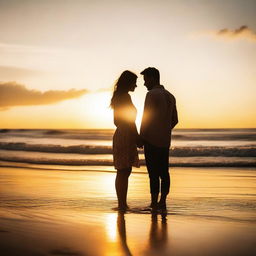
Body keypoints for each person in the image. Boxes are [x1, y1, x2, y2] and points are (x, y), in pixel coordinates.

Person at [140, 67, 178, 211]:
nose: (144, 84)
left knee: (153, 174)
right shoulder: (170, 96)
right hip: (164, 140)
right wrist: (164, 129)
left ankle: (154, 203)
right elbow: (175, 120)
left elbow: (146, 118)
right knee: (164, 172)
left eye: (145, 80)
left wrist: (142, 137)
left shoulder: (151, 94)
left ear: (152, 78)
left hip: (151, 140)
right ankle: (163, 201)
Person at [110, 70, 142, 211]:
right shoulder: (125, 97)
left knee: (122, 170)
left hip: (120, 133)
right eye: (134, 82)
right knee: (124, 170)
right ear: (128, 82)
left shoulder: (118, 97)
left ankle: (122, 203)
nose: (136, 85)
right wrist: (136, 136)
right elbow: (129, 120)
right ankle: (122, 204)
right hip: (126, 134)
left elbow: (116, 121)